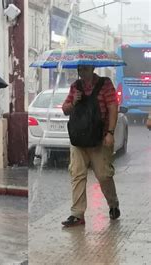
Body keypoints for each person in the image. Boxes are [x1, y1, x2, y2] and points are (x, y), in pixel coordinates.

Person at [61, 65, 120, 227]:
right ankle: (77, 214)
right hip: (78, 140)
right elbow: (65, 110)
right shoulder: (75, 87)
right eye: (80, 69)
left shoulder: (105, 84)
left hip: (99, 139)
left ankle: (113, 203)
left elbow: (113, 107)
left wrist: (110, 132)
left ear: (92, 68)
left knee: (104, 175)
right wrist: (73, 102)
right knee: (77, 174)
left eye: (85, 69)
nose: (82, 72)